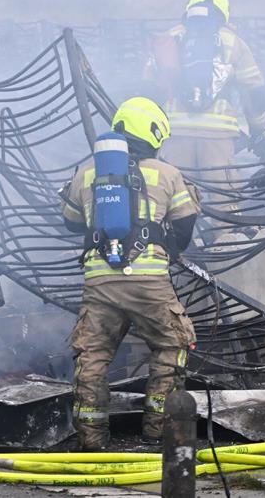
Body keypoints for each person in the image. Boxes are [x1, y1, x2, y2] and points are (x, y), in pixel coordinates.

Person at [60, 97, 200, 450]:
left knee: (92, 356)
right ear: (153, 135)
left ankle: (91, 440)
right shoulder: (166, 173)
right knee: (172, 343)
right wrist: (168, 249)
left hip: (100, 282)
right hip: (149, 281)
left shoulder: (88, 173)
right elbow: (185, 223)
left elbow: (70, 222)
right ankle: (157, 432)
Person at [143, 0, 265, 218]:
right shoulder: (233, 42)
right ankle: (226, 243)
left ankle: (178, 248)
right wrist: (259, 130)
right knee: (224, 197)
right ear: (224, 12)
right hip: (218, 136)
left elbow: (148, 89)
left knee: (174, 194)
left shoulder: (170, 38)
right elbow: (255, 92)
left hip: (174, 132)